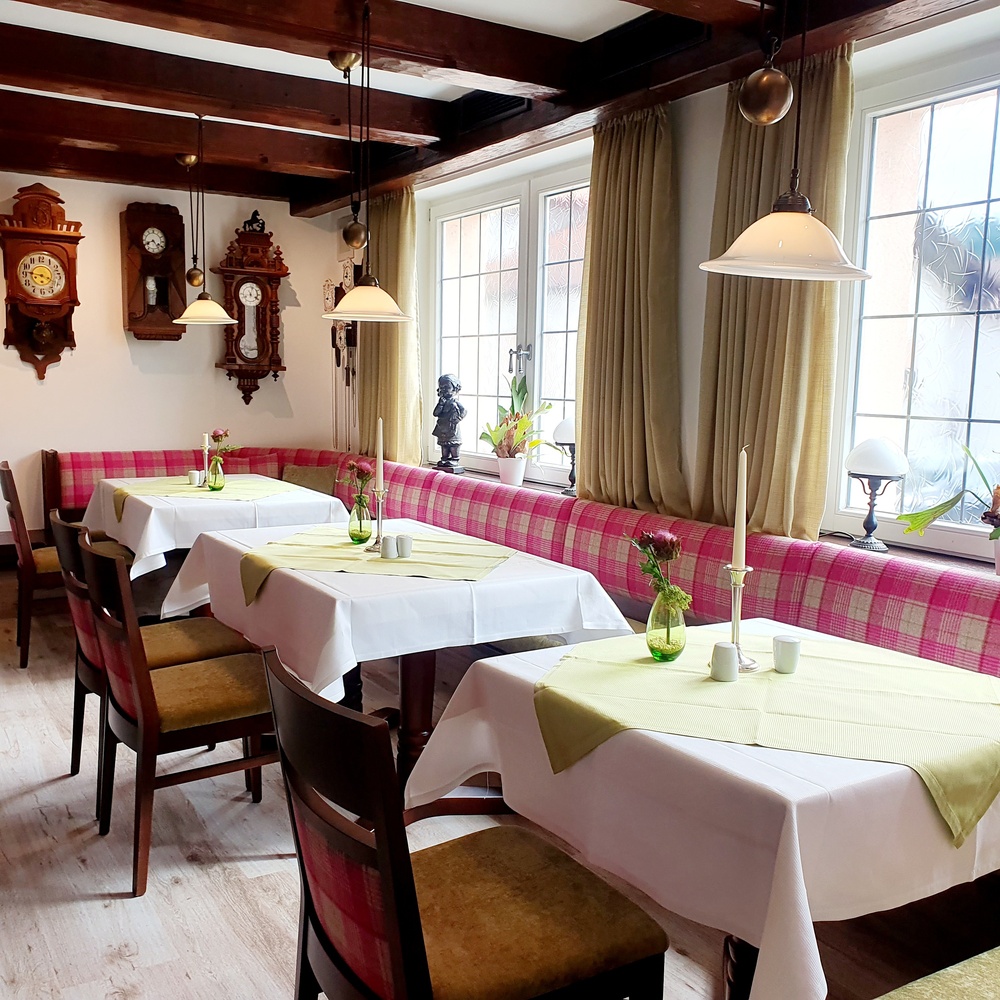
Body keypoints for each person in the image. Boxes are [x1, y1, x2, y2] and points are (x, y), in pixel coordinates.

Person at [432, 373, 466, 472]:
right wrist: (440, 404)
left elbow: (464, 410)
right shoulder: (441, 402)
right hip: (442, 427)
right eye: (441, 387)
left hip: (452, 427)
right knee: (444, 445)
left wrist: (459, 418)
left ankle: (455, 459)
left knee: (453, 444)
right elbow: (435, 413)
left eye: (447, 387)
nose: (444, 390)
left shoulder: (455, 402)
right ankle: (444, 458)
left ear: (454, 388)